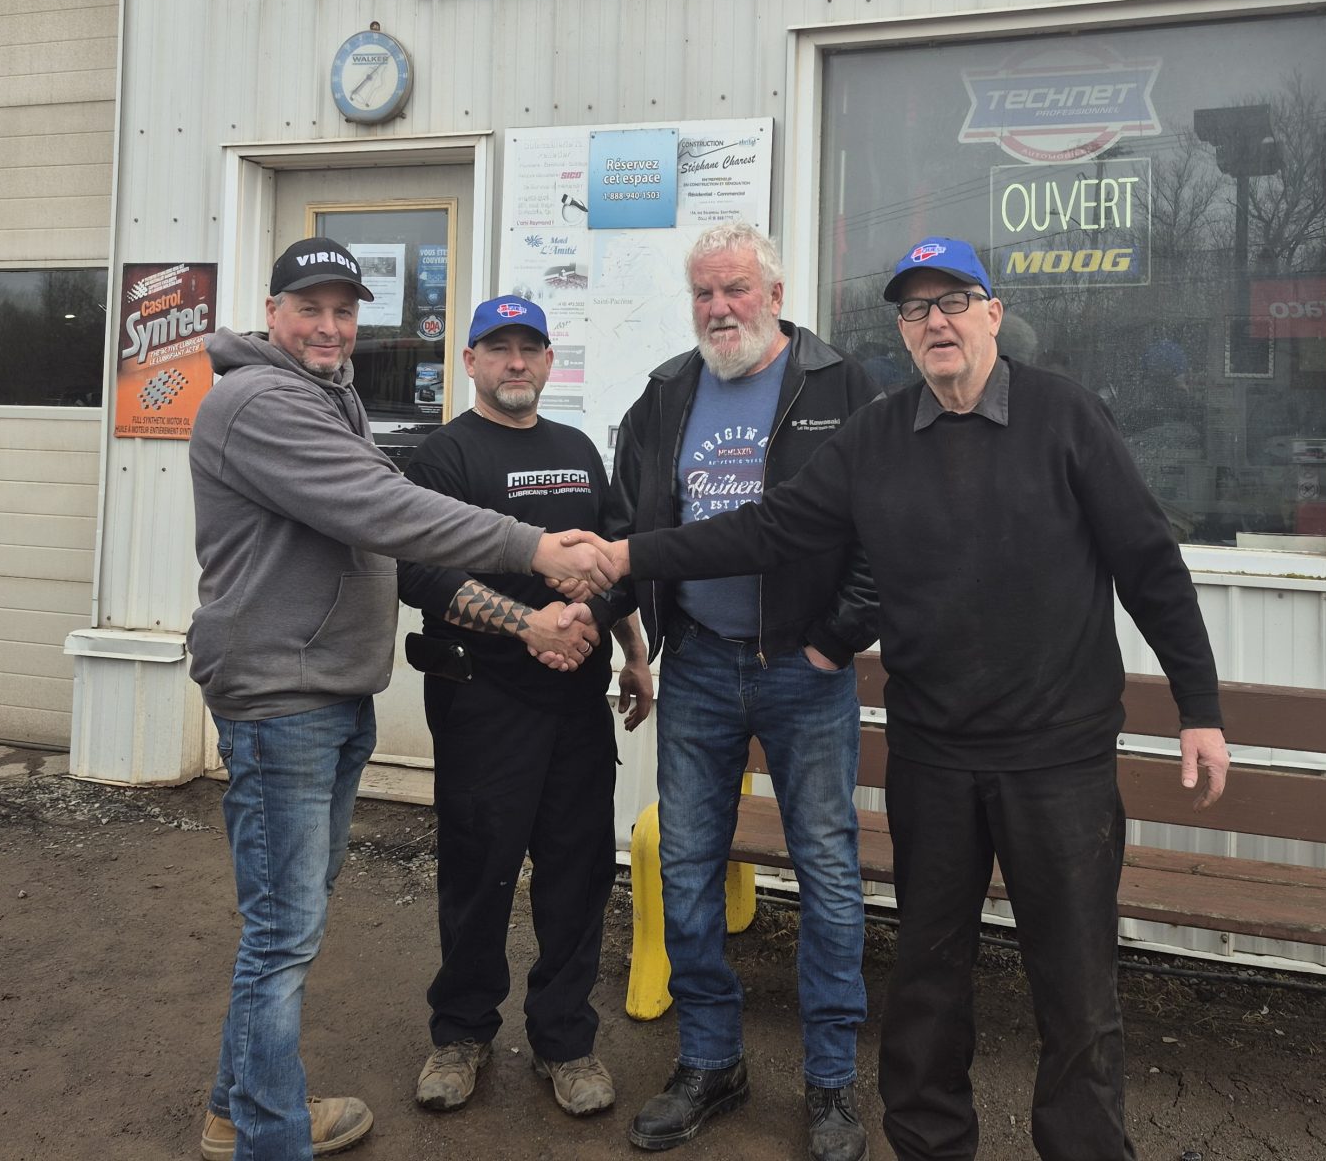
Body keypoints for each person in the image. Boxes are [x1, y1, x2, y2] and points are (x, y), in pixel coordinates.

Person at [590, 236, 1231, 1161]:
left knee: (1076, 984)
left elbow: (1150, 566)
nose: (937, 322)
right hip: (933, 755)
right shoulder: (877, 436)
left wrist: (1198, 707)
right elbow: (770, 528)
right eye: (916, 309)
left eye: (954, 301)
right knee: (927, 978)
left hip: (1058, 759)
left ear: (993, 314)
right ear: (902, 331)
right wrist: (627, 555)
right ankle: (931, 1144)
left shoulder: (1065, 417)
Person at [187, 238, 612, 1161]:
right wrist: (534, 560)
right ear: (272, 311)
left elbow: (609, 549)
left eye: (344, 311)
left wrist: (618, 634)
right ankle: (269, 1134)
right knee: (285, 934)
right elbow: (392, 520)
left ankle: (239, 1106)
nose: (330, 327)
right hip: (292, 698)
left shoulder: (329, 399)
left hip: (333, 691)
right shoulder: (259, 402)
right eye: (309, 308)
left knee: (292, 921)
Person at [604, 222, 880, 1161]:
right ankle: (711, 1062)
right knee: (686, 868)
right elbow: (633, 520)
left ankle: (832, 1082)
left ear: (775, 293)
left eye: (735, 290)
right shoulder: (666, 391)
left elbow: (883, 528)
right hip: (698, 665)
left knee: (827, 875)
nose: (720, 309)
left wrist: (837, 640)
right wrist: (621, 629)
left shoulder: (840, 386)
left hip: (806, 672)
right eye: (704, 294)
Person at [395, 295, 654, 1120]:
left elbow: (619, 559)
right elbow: (419, 573)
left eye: (529, 348)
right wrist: (528, 624)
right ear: (470, 360)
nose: (515, 362)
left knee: (578, 874)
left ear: (548, 361)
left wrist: (620, 640)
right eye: (498, 347)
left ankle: (565, 1041)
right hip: (481, 701)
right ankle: (460, 1032)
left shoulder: (577, 450)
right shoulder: (442, 456)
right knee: (479, 872)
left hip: (575, 700)